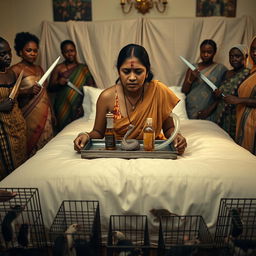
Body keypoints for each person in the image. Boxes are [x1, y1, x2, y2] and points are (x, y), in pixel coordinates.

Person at [74, 44, 187, 155]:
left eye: (138, 72)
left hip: (151, 150)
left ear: (147, 73)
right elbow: (98, 132)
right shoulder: (107, 97)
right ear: (119, 72)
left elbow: (169, 128)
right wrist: (86, 135)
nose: (132, 78)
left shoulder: (158, 91)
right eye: (126, 71)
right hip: (117, 154)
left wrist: (177, 137)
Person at [11, 32, 53, 156]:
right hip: (28, 115)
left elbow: (45, 92)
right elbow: (9, 95)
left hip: (46, 115)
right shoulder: (15, 70)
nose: (33, 53)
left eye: (35, 50)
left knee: (48, 149)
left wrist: (53, 113)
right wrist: (27, 91)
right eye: (29, 50)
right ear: (20, 51)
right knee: (32, 150)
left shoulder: (39, 69)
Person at [197, 45, 250, 140]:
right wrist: (217, 94)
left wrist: (237, 100)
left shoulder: (248, 74)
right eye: (231, 56)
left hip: (236, 115)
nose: (234, 59)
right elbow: (221, 95)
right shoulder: (227, 73)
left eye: (237, 56)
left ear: (245, 57)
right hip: (221, 114)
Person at [48, 40, 96, 132]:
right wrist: (59, 83)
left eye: (72, 50)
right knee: (63, 132)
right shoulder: (59, 68)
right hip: (62, 107)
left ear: (75, 51)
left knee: (79, 130)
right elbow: (50, 88)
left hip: (80, 106)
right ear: (62, 53)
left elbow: (91, 87)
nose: (70, 54)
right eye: (66, 51)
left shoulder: (83, 68)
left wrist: (84, 105)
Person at [0, 37, 27, 180]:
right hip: (2, 133)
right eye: (2, 54)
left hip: (18, 129)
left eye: (9, 53)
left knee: (21, 170)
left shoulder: (11, 73)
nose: (7, 57)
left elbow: (17, 97)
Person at [224, 37, 256, 155]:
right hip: (244, 121)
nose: (255, 53)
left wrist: (238, 100)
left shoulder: (247, 72)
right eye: (253, 49)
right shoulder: (252, 71)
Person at [182, 39, 227, 120]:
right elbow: (184, 91)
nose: (205, 54)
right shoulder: (193, 68)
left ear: (214, 52)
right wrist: (191, 79)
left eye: (209, 52)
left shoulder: (221, 69)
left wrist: (209, 110)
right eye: (203, 52)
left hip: (209, 111)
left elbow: (223, 94)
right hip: (190, 109)